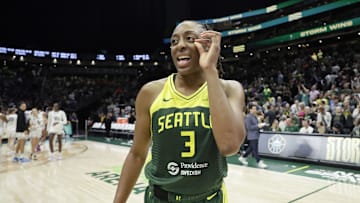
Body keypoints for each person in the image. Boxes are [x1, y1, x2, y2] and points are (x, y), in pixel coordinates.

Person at [113, 20, 246, 203]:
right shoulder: (151, 92)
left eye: (189, 38)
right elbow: (137, 154)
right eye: (174, 42)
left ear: (207, 44)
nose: (180, 45)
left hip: (209, 198)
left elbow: (229, 146)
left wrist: (210, 70)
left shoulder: (230, 90)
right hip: (160, 198)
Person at [238, 103, 268, 169]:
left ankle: (242, 157)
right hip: (252, 136)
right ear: (250, 109)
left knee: (251, 148)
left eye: (255, 109)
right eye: (253, 109)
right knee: (255, 150)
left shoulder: (254, 116)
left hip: (256, 135)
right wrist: (258, 126)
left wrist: (260, 125)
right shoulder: (248, 117)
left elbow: (255, 125)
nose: (255, 110)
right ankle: (259, 162)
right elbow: (249, 127)